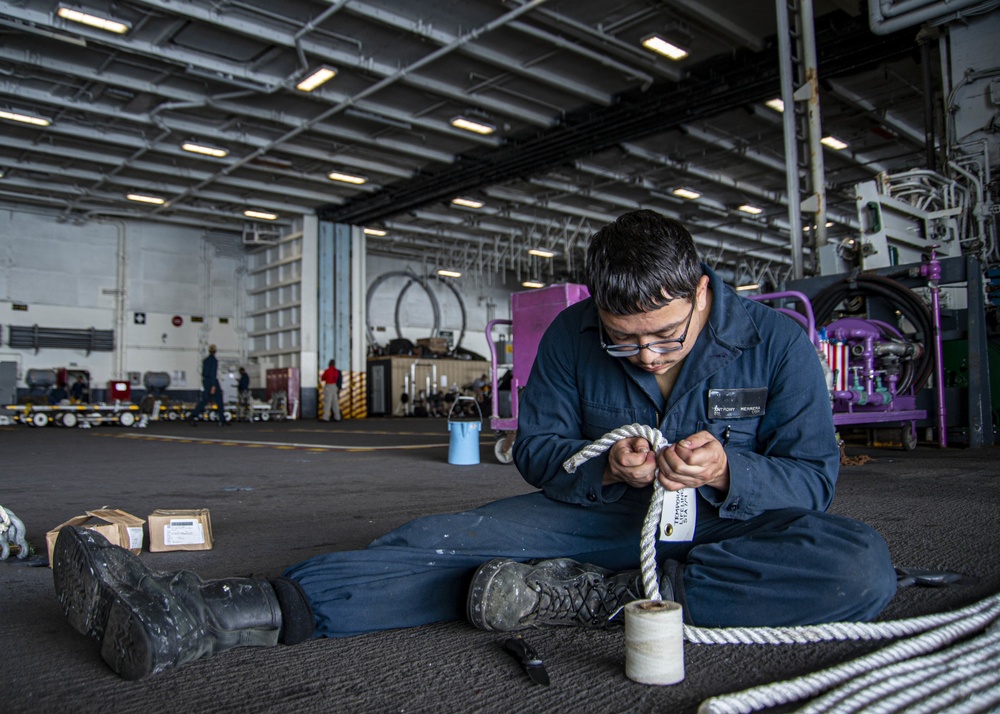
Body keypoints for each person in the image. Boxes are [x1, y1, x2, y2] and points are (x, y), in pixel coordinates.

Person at [51, 209, 898, 680]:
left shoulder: (777, 343)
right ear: (596, 310)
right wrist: (603, 464)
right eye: (625, 340)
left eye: (666, 338)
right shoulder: (569, 336)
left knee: (857, 566)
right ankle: (204, 613)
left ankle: (592, 598)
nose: (646, 356)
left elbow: (813, 482)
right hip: (603, 516)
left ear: (703, 292)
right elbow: (535, 451)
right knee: (439, 542)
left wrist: (727, 472)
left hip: (725, 530)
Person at [187, 344, 224, 426]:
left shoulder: (206, 360)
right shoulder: (214, 360)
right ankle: (222, 420)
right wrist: (213, 385)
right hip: (212, 381)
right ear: (215, 351)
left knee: (205, 400)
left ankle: (193, 415)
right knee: (219, 400)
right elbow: (213, 373)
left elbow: (204, 372)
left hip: (205, 381)